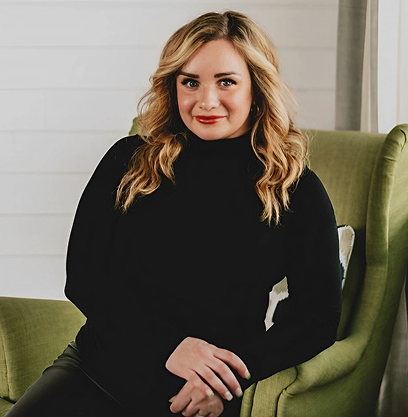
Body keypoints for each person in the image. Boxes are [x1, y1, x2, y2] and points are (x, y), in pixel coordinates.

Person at [7, 10, 342, 417]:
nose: (206, 100)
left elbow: (317, 318)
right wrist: (170, 347)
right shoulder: (128, 161)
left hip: (201, 392)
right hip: (98, 371)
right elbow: (85, 278)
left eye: (226, 82)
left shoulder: (294, 188)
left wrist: (231, 379)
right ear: (173, 86)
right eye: (190, 82)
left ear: (256, 87)